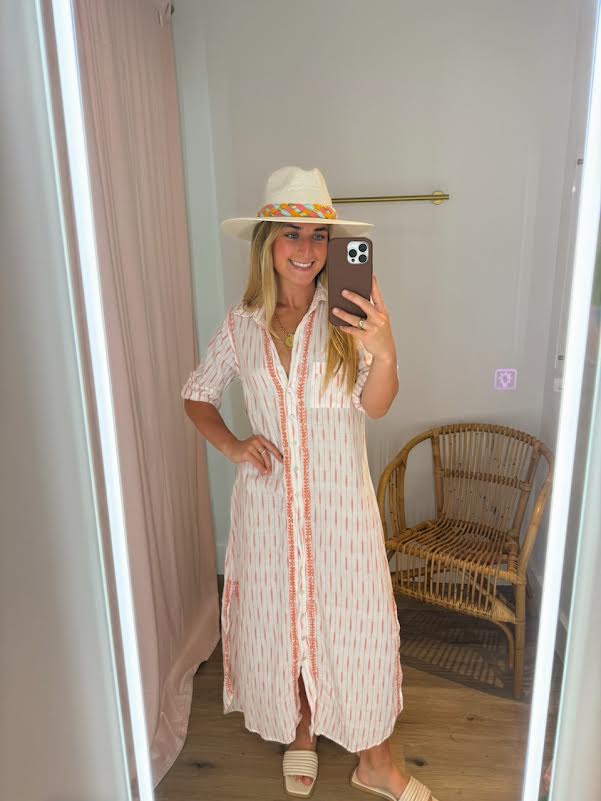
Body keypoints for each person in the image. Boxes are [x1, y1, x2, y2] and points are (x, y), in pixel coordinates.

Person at [181, 166, 439, 801]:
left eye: (319, 235)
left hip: (340, 509)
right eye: (292, 234)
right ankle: (301, 727)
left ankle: (376, 761)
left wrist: (386, 349)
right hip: (268, 507)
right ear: (266, 242)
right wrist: (233, 445)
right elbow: (197, 394)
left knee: (357, 626)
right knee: (283, 618)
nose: (307, 249)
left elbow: (377, 405)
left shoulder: (349, 314)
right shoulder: (241, 325)